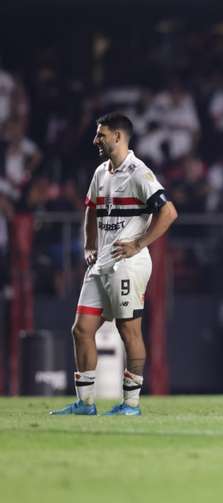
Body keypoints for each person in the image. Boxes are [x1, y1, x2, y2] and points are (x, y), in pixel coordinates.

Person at [50, 113, 178, 416]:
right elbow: (90, 210)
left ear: (118, 137)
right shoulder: (101, 173)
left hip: (128, 264)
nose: (96, 140)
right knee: (81, 330)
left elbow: (169, 213)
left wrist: (137, 244)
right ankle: (85, 403)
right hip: (102, 263)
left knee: (128, 330)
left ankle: (131, 404)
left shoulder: (139, 172)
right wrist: (89, 245)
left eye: (101, 135)